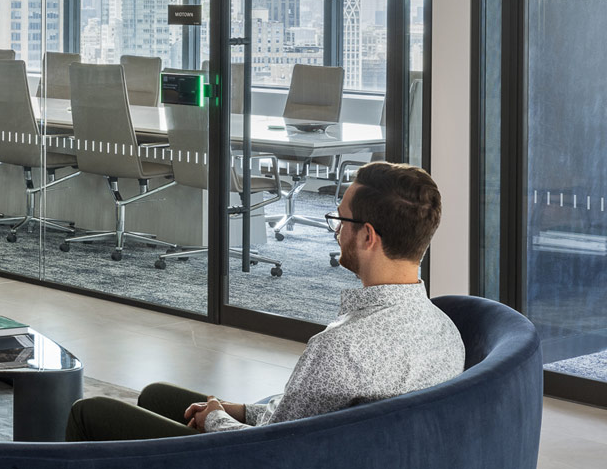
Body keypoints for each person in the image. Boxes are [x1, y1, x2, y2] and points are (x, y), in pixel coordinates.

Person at [63, 161, 465, 441]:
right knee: (156, 395)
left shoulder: (342, 348)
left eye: (340, 220)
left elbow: (275, 447)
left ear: (367, 237)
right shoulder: (445, 330)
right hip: (339, 449)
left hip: (253, 460)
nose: (335, 230)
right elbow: (304, 421)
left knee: (90, 412)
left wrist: (217, 420)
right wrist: (237, 410)